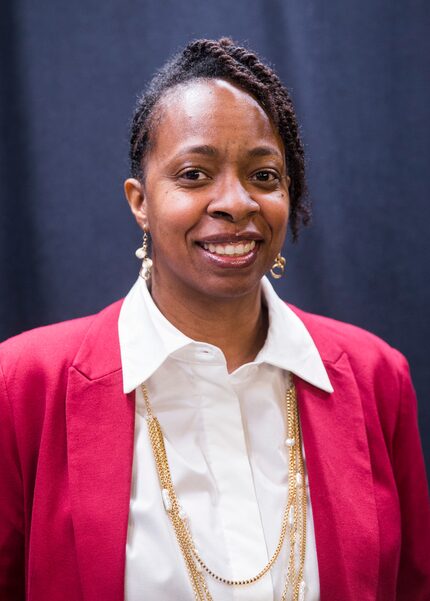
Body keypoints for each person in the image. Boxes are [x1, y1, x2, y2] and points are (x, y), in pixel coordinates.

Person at [0, 37, 428, 601]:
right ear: (140, 201)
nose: (236, 202)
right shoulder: (22, 385)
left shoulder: (377, 376)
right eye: (195, 175)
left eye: (264, 176)